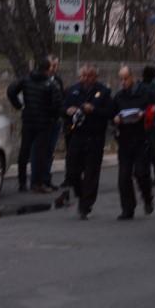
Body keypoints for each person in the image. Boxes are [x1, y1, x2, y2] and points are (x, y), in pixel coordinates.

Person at [62, 63, 113, 219]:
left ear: (94, 77)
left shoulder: (103, 92)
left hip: (95, 136)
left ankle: (86, 205)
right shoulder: (73, 90)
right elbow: (62, 108)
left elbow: (109, 112)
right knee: (72, 170)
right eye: (82, 76)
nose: (85, 79)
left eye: (88, 76)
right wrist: (67, 111)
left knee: (91, 173)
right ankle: (79, 192)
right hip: (77, 135)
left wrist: (95, 110)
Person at [6, 56, 63, 192]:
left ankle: (22, 182)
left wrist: (20, 106)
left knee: (24, 152)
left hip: (28, 120)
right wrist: (53, 117)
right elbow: (57, 104)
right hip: (43, 123)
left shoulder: (26, 79)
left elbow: (11, 90)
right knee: (40, 153)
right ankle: (37, 183)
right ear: (48, 69)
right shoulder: (51, 84)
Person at [111, 65, 154, 220]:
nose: (123, 82)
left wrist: (144, 114)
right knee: (123, 177)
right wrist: (115, 119)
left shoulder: (145, 94)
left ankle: (147, 197)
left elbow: (153, 109)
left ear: (132, 77)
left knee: (141, 172)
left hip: (141, 138)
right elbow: (112, 113)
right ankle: (128, 208)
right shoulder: (119, 97)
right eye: (121, 79)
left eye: (125, 79)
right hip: (125, 138)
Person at [40, 55, 66, 190]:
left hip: (55, 119)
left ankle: (47, 178)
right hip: (46, 120)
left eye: (56, 66)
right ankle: (41, 180)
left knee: (50, 151)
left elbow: (61, 98)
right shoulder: (42, 81)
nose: (54, 69)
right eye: (52, 66)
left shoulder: (57, 81)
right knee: (43, 150)